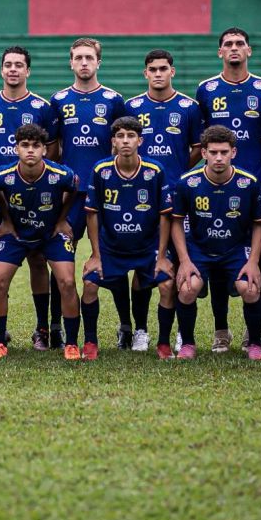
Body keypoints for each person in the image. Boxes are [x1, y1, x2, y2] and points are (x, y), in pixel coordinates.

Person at [194, 27, 261, 353]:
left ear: (249, 50)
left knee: (256, 259)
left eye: (240, 43)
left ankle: (258, 331)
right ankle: (221, 331)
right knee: (216, 260)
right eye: (228, 44)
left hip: (253, 189)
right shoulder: (207, 89)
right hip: (217, 187)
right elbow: (203, 140)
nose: (234, 49)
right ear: (220, 52)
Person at [0, 46, 59, 351]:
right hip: (1, 199)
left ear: (28, 71)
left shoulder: (42, 106)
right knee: (1, 265)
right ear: (2, 70)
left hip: (36, 199)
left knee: (39, 261)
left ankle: (42, 329)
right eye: (8, 65)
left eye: (19, 65)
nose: (13, 69)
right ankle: (0, 333)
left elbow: (51, 150)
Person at [50, 37, 126, 346]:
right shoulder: (57, 101)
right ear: (71, 63)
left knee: (114, 259)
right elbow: (53, 149)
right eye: (78, 58)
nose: (84, 63)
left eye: (89, 58)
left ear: (98, 62)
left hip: (105, 196)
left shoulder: (113, 100)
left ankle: (126, 326)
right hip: (69, 197)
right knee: (60, 260)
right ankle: (55, 327)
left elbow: (121, 143)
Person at [125, 49, 202, 351]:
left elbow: (198, 147)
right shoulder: (131, 107)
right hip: (142, 198)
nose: (158, 73)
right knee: (144, 267)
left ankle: (183, 332)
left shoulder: (189, 107)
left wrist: (181, 167)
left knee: (182, 264)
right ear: (145, 73)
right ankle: (141, 330)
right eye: (152, 69)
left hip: (178, 197)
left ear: (173, 71)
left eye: (163, 69)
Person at [80, 117, 174, 360]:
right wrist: (95, 255)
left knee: (166, 284)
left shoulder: (155, 171)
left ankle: (160, 342)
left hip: (147, 247)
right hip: (111, 248)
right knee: (89, 283)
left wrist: (162, 256)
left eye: (130, 136)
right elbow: (92, 214)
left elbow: (165, 216)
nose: (125, 141)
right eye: (120, 136)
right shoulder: (101, 170)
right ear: (113, 141)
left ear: (140, 140)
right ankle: (90, 341)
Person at [171, 126, 261, 360]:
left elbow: (259, 224)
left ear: (234, 152)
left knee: (251, 288)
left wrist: (254, 261)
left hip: (235, 249)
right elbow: (175, 222)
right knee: (186, 288)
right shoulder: (187, 183)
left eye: (224, 152)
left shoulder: (249, 183)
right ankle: (188, 344)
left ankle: (254, 343)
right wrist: (183, 260)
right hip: (199, 249)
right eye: (213, 152)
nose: (219, 157)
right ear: (203, 153)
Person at [0, 124, 79, 360]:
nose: (30, 150)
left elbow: (75, 188)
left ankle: (71, 343)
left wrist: (61, 220)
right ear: (16, 148)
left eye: (36, 146)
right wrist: (6, 220)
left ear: (44, 150)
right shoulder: (1, 175)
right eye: (25, 145)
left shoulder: (61, 174)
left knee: (67, 282)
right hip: (17, 234)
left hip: (50, 234)